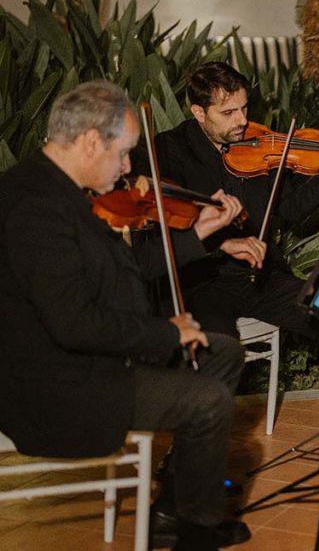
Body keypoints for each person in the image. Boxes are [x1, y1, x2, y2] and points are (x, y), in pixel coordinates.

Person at [0, 81, 251, 550]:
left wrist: (197, 234)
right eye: (124, 153)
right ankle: (195, 536)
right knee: (208, 400)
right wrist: (165, 333)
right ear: (91, 141)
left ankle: (176, 511)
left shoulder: (68, 193)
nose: (129, 167)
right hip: (58, 385)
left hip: (87, 360)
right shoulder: (35, 208)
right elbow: (74, 324)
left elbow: (127, 268)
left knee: (223, 354)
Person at [153, 61, 319, 454]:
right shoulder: (169, 150)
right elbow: (162, 223)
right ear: (198, 113)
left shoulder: (263, 146)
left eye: (244, 108)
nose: (242, 120)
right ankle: (191, 458)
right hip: (204, 280)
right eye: (228, 113)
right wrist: (218, 244)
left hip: (261, 275)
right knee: (217, 347)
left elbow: (289, 209)